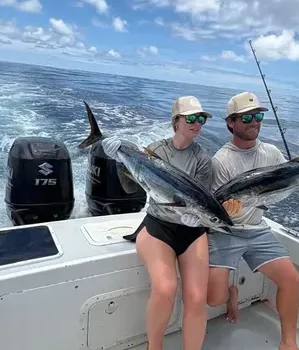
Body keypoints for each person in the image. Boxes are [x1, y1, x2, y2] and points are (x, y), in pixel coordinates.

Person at [206, 92, 299, 350]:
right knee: (214, 299)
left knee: (291, 279)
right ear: (230, 123)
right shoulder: (220, 161)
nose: (254, 122)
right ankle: (231, 293)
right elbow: (215, 209)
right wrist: (228, 212)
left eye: (258, 116)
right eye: (246, 117)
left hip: (257, 230)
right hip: (226, 230)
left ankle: (288, 342)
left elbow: (295, 175)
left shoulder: (271, 152)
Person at [101, 96, 214, 350]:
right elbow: (131, 187)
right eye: (192, 118)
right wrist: (119, 160)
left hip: (192, 232)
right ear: (176, 121)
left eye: (202, 119)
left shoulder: (203, 160)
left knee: (197, 298)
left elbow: (200, 201)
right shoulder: (155, 151)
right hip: (158, 227)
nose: (198, 123)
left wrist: (195, 216)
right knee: (165, 288)